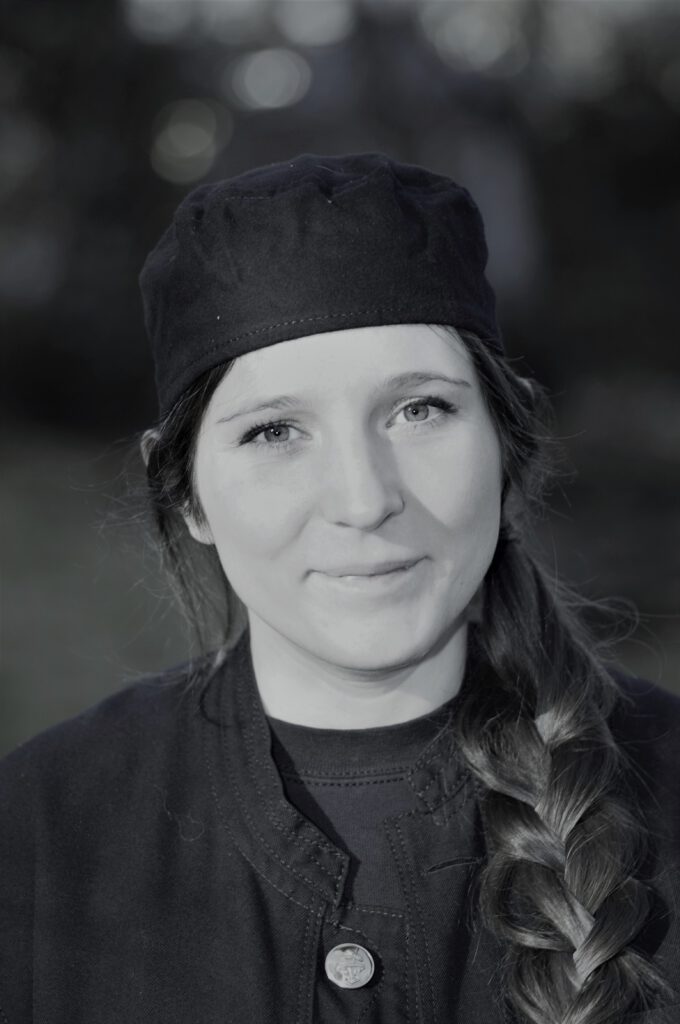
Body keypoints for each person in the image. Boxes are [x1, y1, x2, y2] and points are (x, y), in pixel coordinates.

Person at [0, 152, 678, 1024]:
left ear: (506, 444)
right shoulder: (38, 833)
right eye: (276, 431)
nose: (365, 500)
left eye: (420, 410)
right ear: (186, 492)